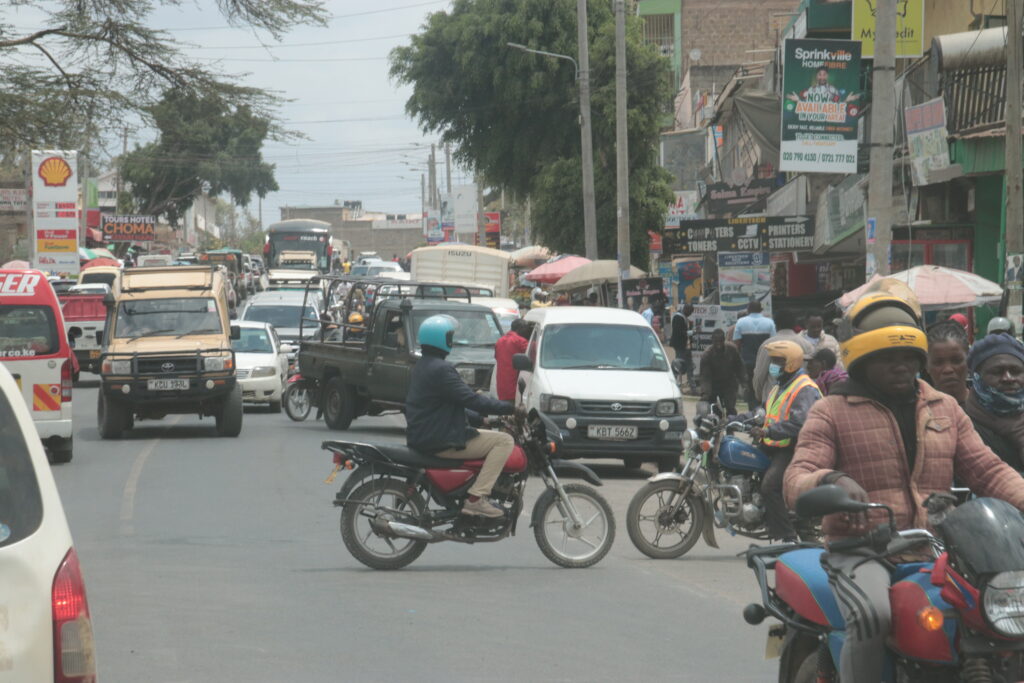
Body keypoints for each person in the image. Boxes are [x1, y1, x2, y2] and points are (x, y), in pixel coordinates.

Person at [785, 291, 1024, 683]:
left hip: (941, 549)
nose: (900, 366)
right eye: (886, 358)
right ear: (861, 361)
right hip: (863, 551)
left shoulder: (944, 407)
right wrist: (831, 480)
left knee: (1001, 613)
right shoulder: (831, 411)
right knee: (871, 615)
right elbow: (797, 478)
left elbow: (989, 471)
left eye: (908, 358)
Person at [406, 315, 516, 518]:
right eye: (450, 336)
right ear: (442, 339)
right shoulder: (442, 370)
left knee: (486, 435)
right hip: (440, 439)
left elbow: (449, 404)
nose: (452, 340)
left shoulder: (423, 365)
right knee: (504, 441)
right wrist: (509, 408)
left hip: (428, 433)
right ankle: (476, 499)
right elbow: (471, 399)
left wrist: (481, 420)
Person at [740, 340, 820, 542]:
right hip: (774, 446)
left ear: (790, 363)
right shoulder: (779, 387)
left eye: (777, 361)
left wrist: (767, 432)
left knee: (769, 486)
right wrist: (732, 420)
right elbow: (761, 412)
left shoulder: (804, 388)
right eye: (773, 360)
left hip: (794, 448)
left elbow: (800, 422)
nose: (773, 365)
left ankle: (788, 537)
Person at [963, 333, 1024, 471]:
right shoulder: (963, 424)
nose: (1008, 378)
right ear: (977, 377)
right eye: (997, 372)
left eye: (1016, 371)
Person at [751, 309, 814, 404]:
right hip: (800, 398)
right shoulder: (806, 344)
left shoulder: (768, 345)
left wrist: (760, 396)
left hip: (772, 399)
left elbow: (759, 375)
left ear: (776, 325)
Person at [732, 301, 776, 405]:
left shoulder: (741, 322)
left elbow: (736, 344)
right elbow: (774, 343)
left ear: (748, 310)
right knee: (766, 384)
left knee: (751, 387)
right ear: (761, 310)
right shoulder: (769, 323)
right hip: (766, 361)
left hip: (747, 362)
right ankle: (764, 407)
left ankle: (752, 410)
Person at [699, 328, 746, 416]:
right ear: (712, 340)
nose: (719, 345)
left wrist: (744, 383)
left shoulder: (732, 349)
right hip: (714, 385)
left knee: (730, 407)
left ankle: (731, 423)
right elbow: (705, 377)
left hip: (730, 383)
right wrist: (705, 394)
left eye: (720, 341)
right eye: (716, 342)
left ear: (724, 340)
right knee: (716, 410)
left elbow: (740, 367)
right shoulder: (707, 355)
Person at [925, 320, 969, 404]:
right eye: (938, 363)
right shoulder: (919, 413)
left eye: (956, 361)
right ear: (926, 365)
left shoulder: (986, 407)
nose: (948, 370)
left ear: (968, 360)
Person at [493, 318, 531, 401]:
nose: (527, 332)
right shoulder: (521, 342)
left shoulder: (500, 341)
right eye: (526, 329)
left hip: (501, 388)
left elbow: (497, 358)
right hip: (515, 390)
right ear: (520, 329)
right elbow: (533, 355)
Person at [670, 304, 697, 393]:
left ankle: (693, 388)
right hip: (680, 346)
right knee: (678, 366)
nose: (690, 314)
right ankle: (673, 385)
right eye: (689, 312)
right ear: (686, 309)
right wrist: (692, 332)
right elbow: (679, 333)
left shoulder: (683, 318)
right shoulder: (678, 318)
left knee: (689, 367)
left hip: (686, 346)